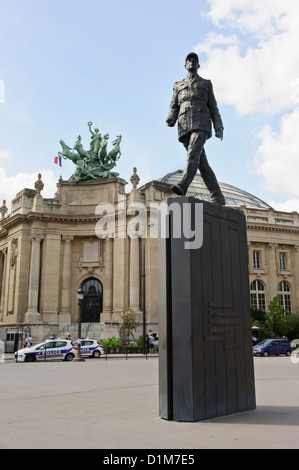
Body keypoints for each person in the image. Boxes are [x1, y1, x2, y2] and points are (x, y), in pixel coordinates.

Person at [166, 52, 225, 206]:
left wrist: (218, 126)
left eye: (194, 60)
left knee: (192, 154)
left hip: (202, 123)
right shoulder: (178, 85)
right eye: (189, 59)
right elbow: (174, 105)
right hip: (184, 124)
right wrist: (171, 118)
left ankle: (183, 185)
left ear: (198, 65)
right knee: (201, 163)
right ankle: (217, 195)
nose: (191, 61)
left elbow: (213, 107)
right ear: (185, 65)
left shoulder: (206, 83)